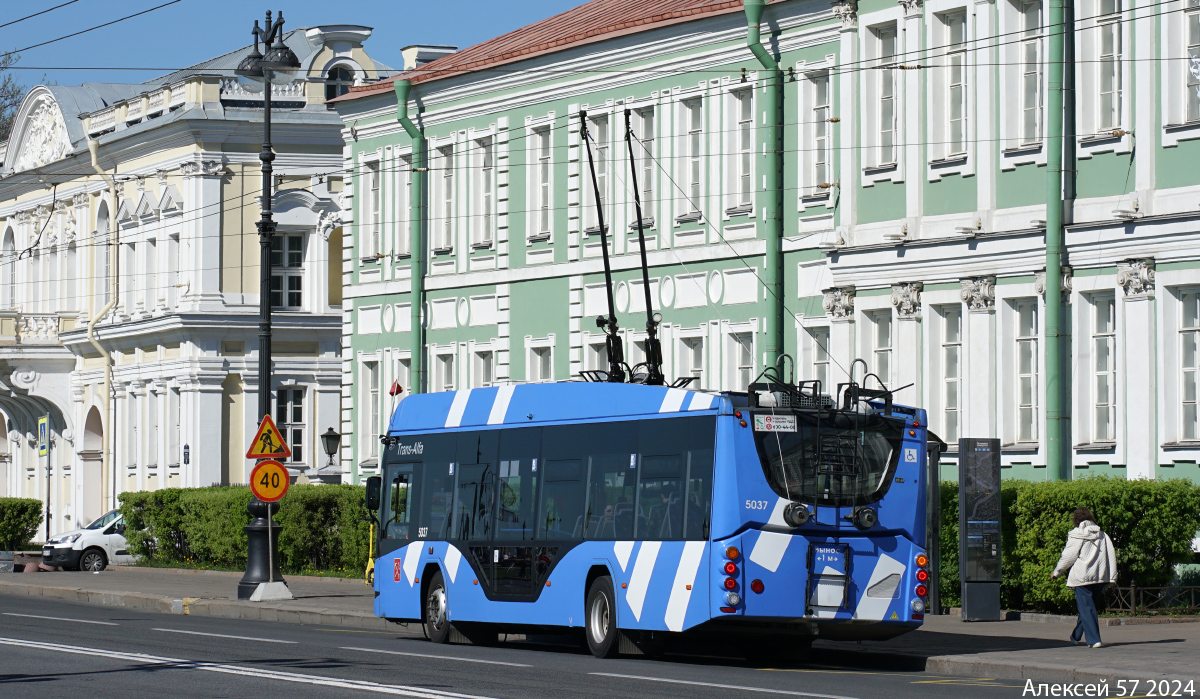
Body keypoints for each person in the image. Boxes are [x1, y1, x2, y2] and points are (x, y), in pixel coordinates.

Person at [1051, 507, 1117, 648]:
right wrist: (1112, 576)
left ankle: (1094, 640)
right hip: (1099, 576)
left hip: (1082, 577)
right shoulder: (1102, 535)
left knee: (1086, 608)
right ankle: (1075, 636)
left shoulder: (1076, 535)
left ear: (1076, 519)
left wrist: (1057, 571)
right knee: (1088, 608)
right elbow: (1110, 554)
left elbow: (1068, 556)